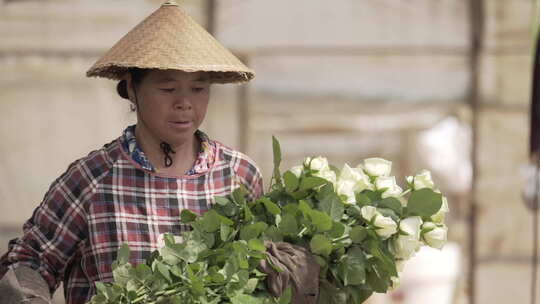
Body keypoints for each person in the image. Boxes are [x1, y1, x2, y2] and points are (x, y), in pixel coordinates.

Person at [0, 2, 264, 303]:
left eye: (198, 89)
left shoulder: (239, 175)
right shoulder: (91, 179)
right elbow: (28, 263)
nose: (184, 103)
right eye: (167, 89)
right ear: (131, 89)